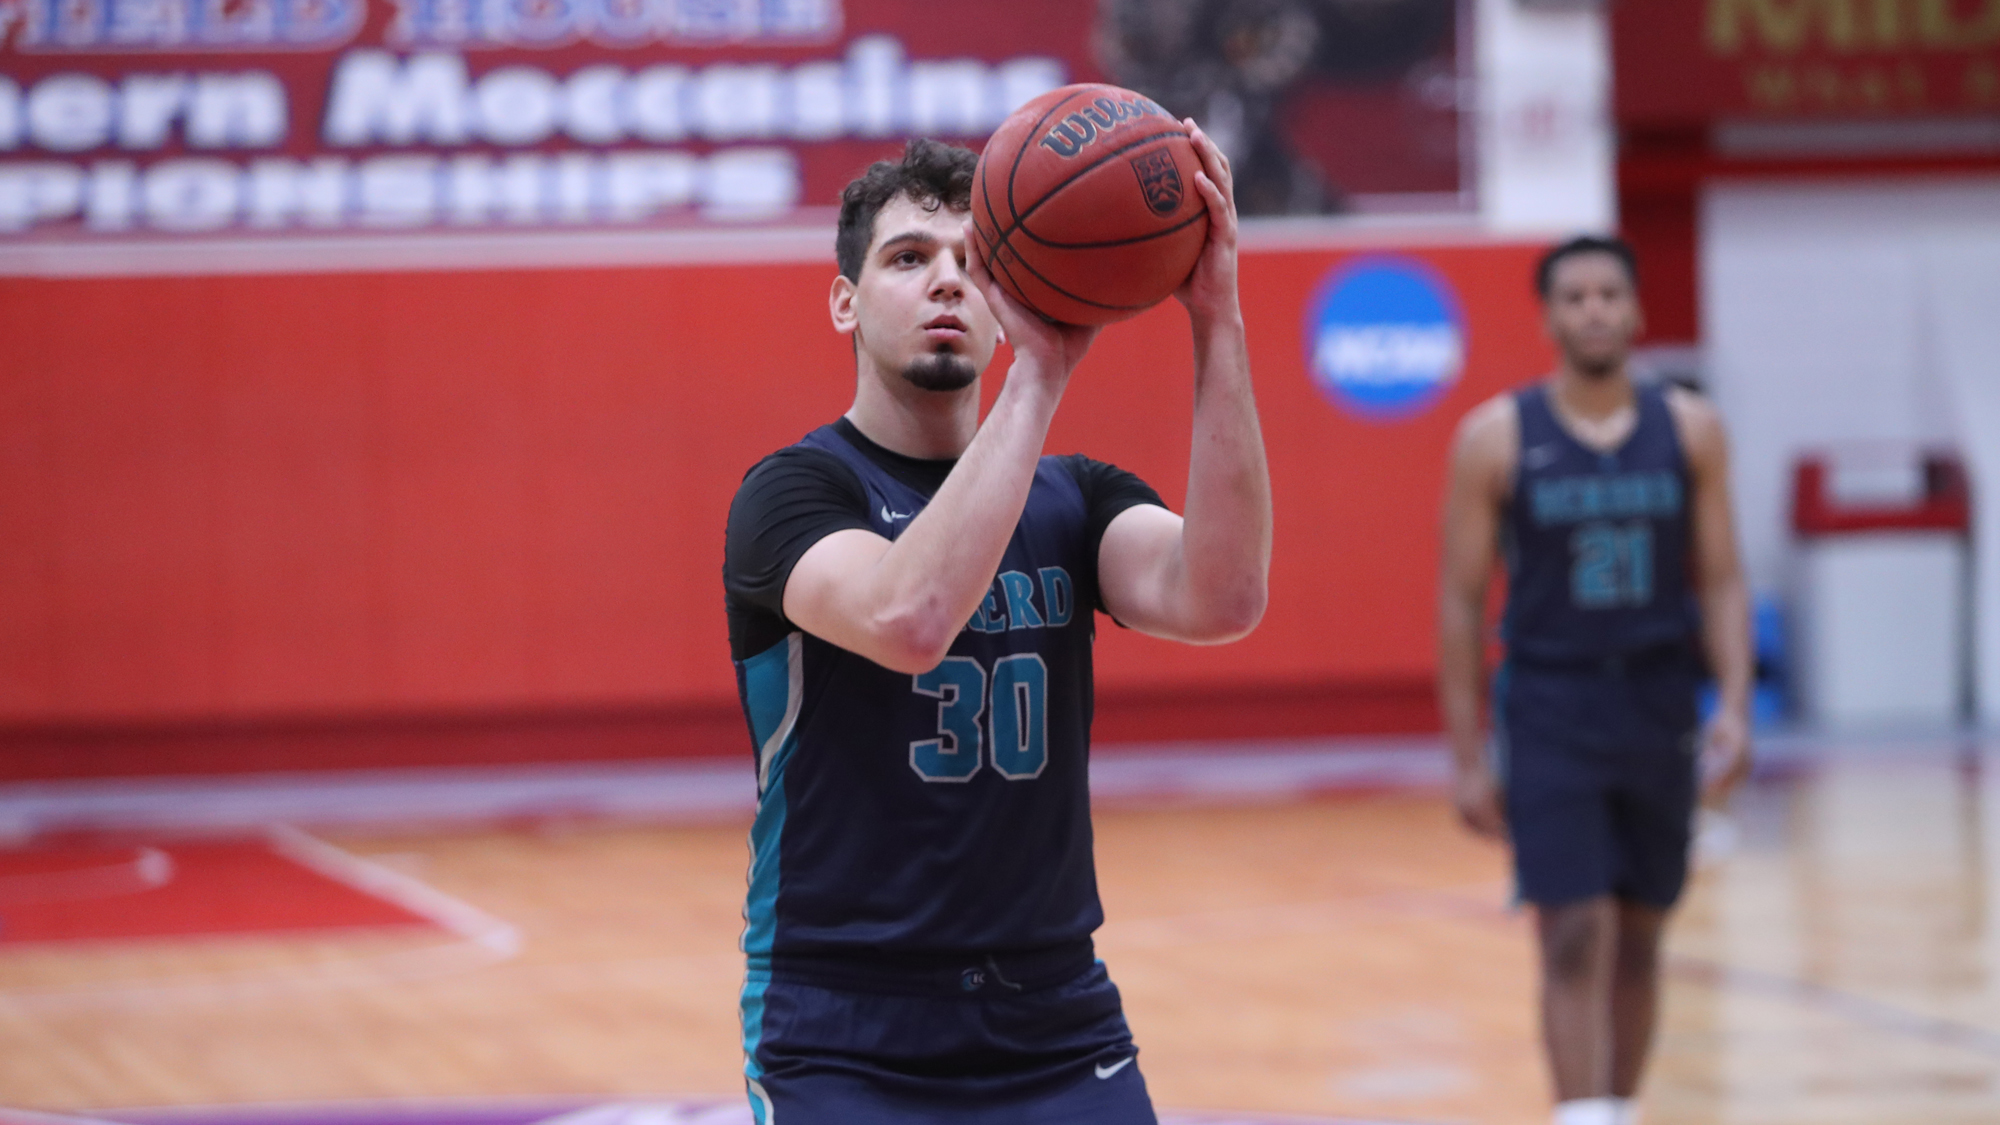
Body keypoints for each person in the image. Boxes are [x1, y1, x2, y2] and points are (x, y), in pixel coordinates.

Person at [721, 128, 1270, 1123]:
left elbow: (1222, 598)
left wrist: (1215, 317)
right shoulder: (793, 494)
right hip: (845, 1028)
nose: (945, 283)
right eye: (906, 259)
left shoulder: (1075, 499)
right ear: (844, 301)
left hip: (1054, 1016)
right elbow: (909, 616)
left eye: (972, 263)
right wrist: (1042, 372)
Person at [1435, 236, 1753, 1125]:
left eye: (1610, 293)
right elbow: (1461, 606)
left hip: (1656, 700)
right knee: (1573, 928)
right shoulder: (1495, 438)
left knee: (1644, 931)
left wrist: (1732, 702)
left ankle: (1617, 1104)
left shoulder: (1691, 427)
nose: (1594, 310)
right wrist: (1467, 757)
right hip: (1550, 703)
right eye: (1574, 297)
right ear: (1548, 318)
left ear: (1638, 310)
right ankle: (1580, 1114)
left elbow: (1723, 576)